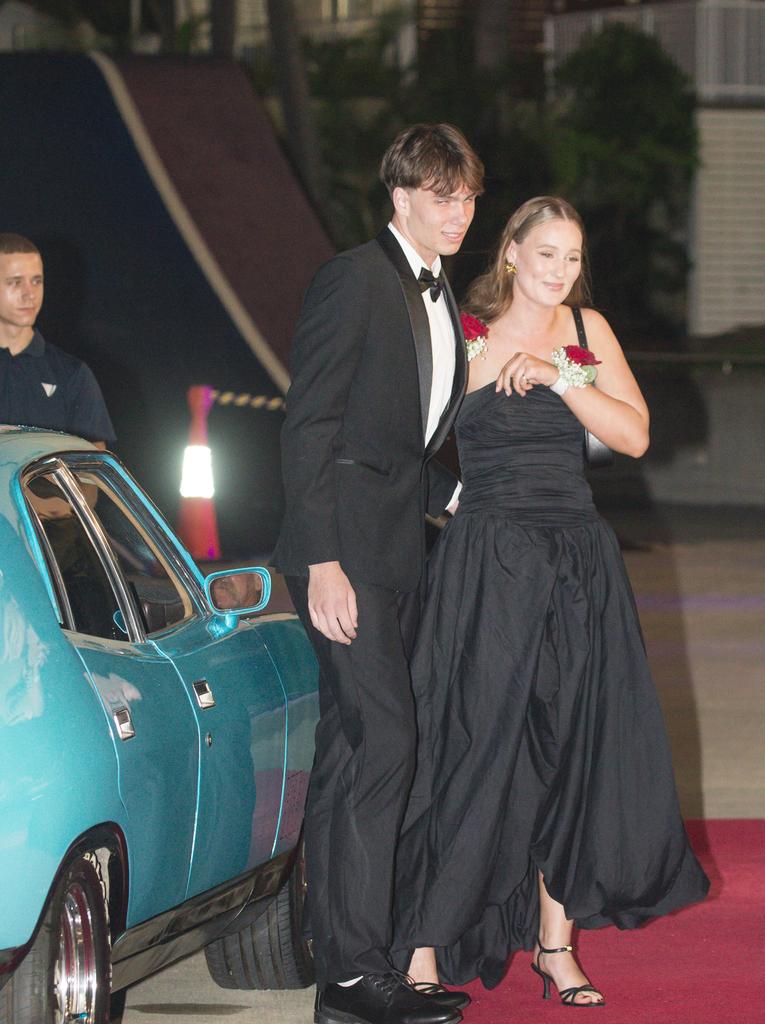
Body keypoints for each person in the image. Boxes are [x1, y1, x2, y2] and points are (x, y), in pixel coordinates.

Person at [392, 197, 710, 1007]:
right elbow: (404, 438)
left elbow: (634, 436)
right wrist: (454, 498)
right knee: (472, 745)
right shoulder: (461, 330)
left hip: (576, 558)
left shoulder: (586, 331)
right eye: (547, 256)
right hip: (490, 562)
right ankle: (425, 943)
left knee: (574, 749)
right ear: (511, 255)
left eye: (572, 258)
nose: (561, 272)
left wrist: (563, 376)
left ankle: (555, 946)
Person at [272, 124, 484, 1024]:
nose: (460, 212)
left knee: (352, 752)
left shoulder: (439, 298)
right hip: (344, 555)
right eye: (443, 195)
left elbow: (418, 442)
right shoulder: (355, 278)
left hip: (402, 552)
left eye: (469, 196)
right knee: (390, 742)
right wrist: (322, 562)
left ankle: (337, 972)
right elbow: (308, 425)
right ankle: (362, 970)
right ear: (400, 197)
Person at [0, 233, 115, 447]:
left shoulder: (72, 375)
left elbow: (89, 467)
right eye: (15, 282)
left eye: (36, 281)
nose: (29, 294)